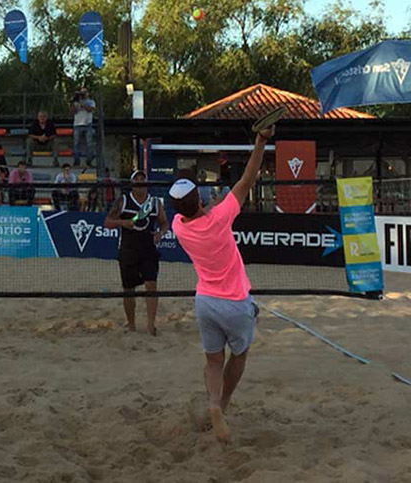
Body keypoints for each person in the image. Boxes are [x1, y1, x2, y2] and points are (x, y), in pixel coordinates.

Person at [168, 125, 275, 445]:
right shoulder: (219, 218)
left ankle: (213, 404)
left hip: (205, 302)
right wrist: (260, 141)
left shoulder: (178, 226)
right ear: (199, 198)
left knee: (212, 361)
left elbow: (191, 209)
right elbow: (247, 181)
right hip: (235, 302)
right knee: (239, 355)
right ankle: (224, 403)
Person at [103, 170, 168, 335]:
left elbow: (164, 223)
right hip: (128, 250)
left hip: (148, 249)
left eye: (142, 179)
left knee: (151, 285)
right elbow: (107, 223)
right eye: (137, 180)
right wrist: (123, 222)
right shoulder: (123, 201)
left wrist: (160, 233)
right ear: (132, 184)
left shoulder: (154, 203)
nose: (140, 182)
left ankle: (151, 326)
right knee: (128, 289)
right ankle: (131, 325)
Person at [71, 86, 96, 166]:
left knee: (89, 143)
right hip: (77, 124)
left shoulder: (91, 101)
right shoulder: (76, 102)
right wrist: (75, 102)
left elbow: (91, 109)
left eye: (84, 93)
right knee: (76, 143)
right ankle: (76, 160)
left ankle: (89, 160)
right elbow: (72, 113)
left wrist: (83, 104)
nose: (83, 94)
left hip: (87, 124)